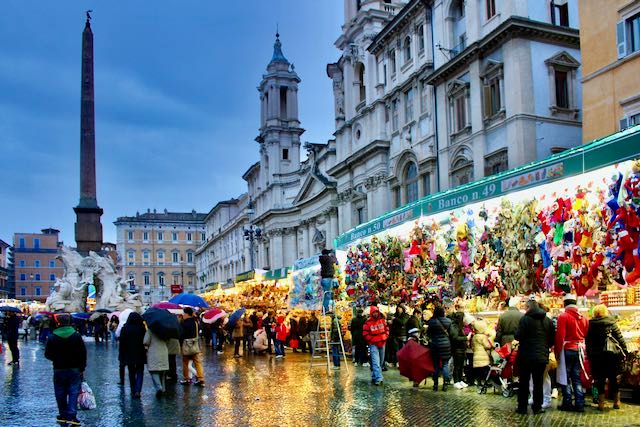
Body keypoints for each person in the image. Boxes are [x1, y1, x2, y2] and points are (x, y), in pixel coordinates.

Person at [514, 296, 555, 415]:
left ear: (528, 308)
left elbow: (518, 336)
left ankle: (522, 407)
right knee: (538, 382)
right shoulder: (547, 320)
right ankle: (537, 407)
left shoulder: (525, 319)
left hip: (526, 355)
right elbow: (552, 339)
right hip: (541, 356)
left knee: (524, 382)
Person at [45, 313, 86, 426]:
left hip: (58, 368)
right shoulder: (76, 336)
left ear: (58, 323)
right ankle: (72, 415)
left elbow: (47, 354)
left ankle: (62, 414)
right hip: (74, 368)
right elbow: (83, 353)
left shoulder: (53, 336)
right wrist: (82, 368)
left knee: (59, 391)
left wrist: (56, 358)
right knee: (73, 392)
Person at [586, 304, 627, 411]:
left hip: (597, 358)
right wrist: (624, 351)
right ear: (605, 312)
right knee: (613, 379)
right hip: (611, 356)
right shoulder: (612, 324)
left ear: (595, 313)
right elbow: (620, 338)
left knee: (599, 380)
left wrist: (589, 356)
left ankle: (601, 404)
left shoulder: (590, 325)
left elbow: (588, 343)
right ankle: (617, 402)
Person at [555, 293, 589, 412]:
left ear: (565, 304)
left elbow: (560, 337)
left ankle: (567, 402)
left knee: (565, 377)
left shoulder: (563, 317)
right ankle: (580, 403)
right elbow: (585, 334)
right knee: (576, 377)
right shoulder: (584, 317)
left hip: (567, 349)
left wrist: (557, 353)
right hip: (579, 350)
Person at [119, 312, 146, 399]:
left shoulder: (125, 328)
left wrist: (121, 355)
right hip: (140, 353)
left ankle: (133, 389)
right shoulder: (141, 328)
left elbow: (122, 343)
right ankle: (138, 390)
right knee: (140, 372)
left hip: (128, 353)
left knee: (131, 372)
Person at [427, 306, 452, 391]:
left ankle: (435, 385)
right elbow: (451, 334)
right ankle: (445, 384)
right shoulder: (448, 321)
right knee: (445, 364)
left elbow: (428, 333)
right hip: (446, 345)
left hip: (435, 345)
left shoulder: (431, 322)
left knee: (436, 365)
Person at [363, 306, 389, 386]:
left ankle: (375, 376)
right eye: (374, 312)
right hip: (373, 345)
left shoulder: (383, 321)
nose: (375, 314)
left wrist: (385, 336)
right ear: (371, 313)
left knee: (380, 362)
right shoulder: (367, 323)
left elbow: (387, 329)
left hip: (382, 343)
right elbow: (365, 334)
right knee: (376, 362)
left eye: (376, 312)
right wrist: (372, 340)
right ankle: (379, 378)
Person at [180, 307, 205, 386]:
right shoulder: (195, 322)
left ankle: (186, 379)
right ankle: (201, 379)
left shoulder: (183, 323)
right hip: (195, 344)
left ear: (187, 314)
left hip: (186, 345)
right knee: (198, 362)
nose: (183, 315)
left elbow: (181, 335)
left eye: (184, 313)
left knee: (185, 362)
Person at [144, 327, 169, 398]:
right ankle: (163, 389)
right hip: (164, 351)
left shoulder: (150, 330)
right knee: (162, 372)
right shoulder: (165, 330)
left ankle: (159, 388)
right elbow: (168, 341)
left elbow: (146, 341)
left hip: (153, 352)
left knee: (154, 371)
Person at [471, 319, 493, 388]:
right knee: (485, 370)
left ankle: (479, 383)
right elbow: (487, 346)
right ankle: (486, 382)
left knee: (478, 372)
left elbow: (472, 346)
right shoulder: (483, 337)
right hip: (483, 357)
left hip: (476, 356)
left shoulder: (474, 337)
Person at [449, 311, 468, 389]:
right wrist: (466, 338)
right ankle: (456, 381)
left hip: (461, 348)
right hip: (457, 349)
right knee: (457, 366)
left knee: (461, 366)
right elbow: (455, 337)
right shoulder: (454, 326)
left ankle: (460, 380)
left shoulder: (459, 326)